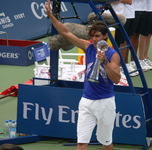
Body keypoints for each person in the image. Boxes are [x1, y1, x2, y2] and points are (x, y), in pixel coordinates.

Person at [45, 0, 121, 150]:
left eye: (98, 36)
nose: (94, 39)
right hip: (86, 101)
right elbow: (65, 32)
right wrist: (51, 16)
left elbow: (116, 79)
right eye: (92, 36)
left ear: (105, 36)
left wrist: (104, 61)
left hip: (105, 103)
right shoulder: (88, 47)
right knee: (81, 144)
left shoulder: (113, 55)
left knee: (106, 144)